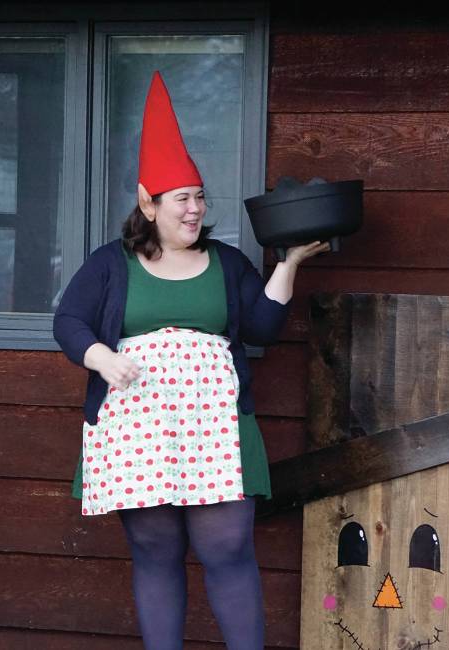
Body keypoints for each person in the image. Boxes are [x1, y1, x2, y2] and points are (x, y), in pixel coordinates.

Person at [53, 72, 326, 650]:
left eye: (200, 198)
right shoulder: (110, 263)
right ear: (148, 203)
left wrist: (290, 263)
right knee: (155, 552)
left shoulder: (226, 263)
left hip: (215, 424)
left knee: (228, 547)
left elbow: (260, 329)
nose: (196, 209)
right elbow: (68, 321)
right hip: (136, 424)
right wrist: (101, 357)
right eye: (183, 199)